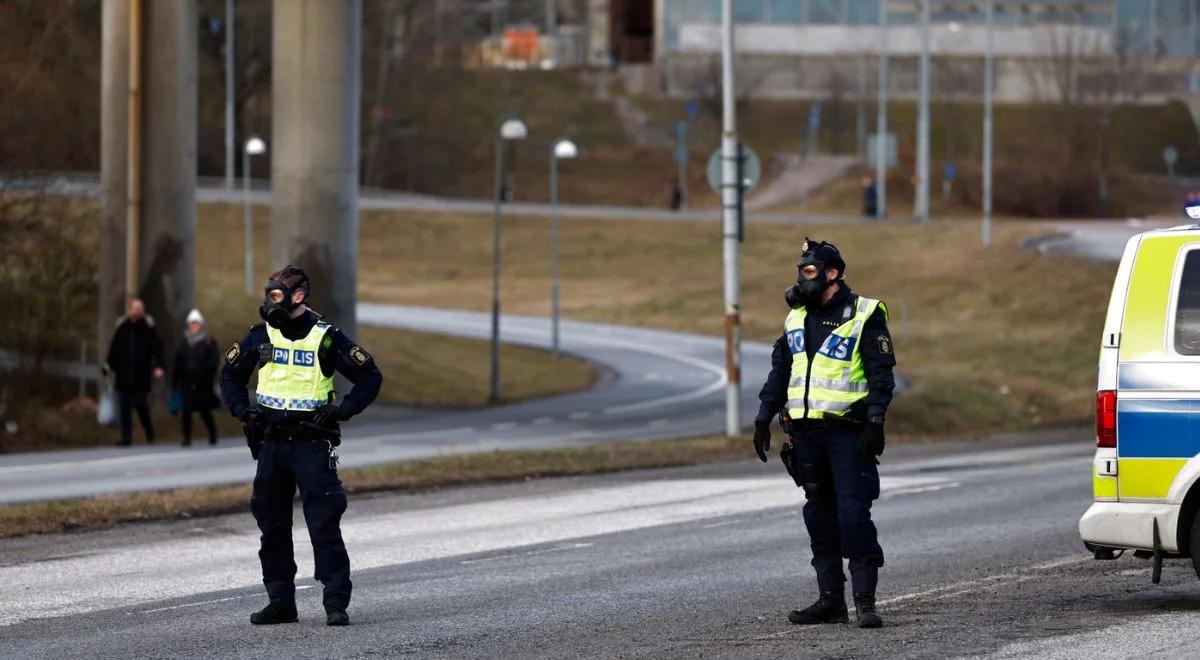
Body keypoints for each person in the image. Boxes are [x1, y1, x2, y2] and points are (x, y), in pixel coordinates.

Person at [221, 265, 382, 627]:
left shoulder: (326, 338)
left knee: (323, 525)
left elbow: (370, 376)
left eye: (276, 295)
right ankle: (281, 602)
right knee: (272, 525)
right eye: (268, 294)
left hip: (311, 442)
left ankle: (335, 602)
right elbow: (230, 374)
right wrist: (242, 410)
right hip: (272, 445)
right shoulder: (259, 336)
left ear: (298, 296)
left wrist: (343, 411)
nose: (270, 301)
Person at [752, 238, 896, 629]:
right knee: (819, 516)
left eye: (810, 271)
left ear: (833, 273)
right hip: (805, 434)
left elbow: (882, 375)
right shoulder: (796, 317)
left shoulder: (864, 315)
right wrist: (764, 417)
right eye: (800, 271)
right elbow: (781, 371)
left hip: (848, 433)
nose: (802, 278)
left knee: (853, 515)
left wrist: (876, 421)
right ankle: (831, 600)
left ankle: (865, 601)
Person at [104, 298, 165, 446]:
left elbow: (158, 349)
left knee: (141, 405)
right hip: (124, 375)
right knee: (124, 407)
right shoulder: (122, 327)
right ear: (129, 309)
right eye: (134, 308)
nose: (137, 311)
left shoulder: (148, 328)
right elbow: (114, 349)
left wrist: (159, 366)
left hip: (141, 375)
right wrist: (108, 366)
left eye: (140, 308)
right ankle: (126, 438)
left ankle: (149, 431)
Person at [173, 308, 220, 446]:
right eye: (192, 323)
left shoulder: (208, 341)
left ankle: (212, 433)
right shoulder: (184, 341)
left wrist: (207, 376)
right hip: (186, 383)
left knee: (204, 410)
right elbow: (178, 362)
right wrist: (175, 380)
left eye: (196, 323)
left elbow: (214, 361)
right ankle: (186, 438)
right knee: (186, 410)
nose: (194, 326)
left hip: (203, 384)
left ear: (201, 325)